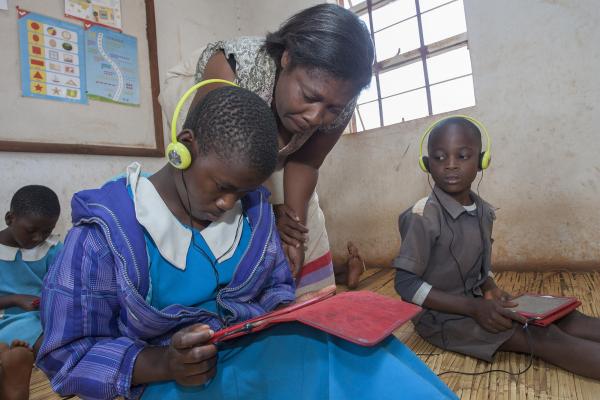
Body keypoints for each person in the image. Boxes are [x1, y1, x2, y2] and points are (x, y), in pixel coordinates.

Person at [37, 87, 456, 399]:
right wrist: (161, 363)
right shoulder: (101, 238)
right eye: (222, 187)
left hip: (250, 354)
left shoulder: (251, 211)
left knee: (361, 357)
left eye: (242, 192)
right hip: (172, 381)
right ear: (185, 148)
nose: (227, 204)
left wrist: (289, 312)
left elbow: (274, 287)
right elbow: (66, 354)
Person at [159, 3, 374, 298]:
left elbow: (306, 164)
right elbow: (213, 172)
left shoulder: (337, 98)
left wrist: (293, 236)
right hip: (206, 98)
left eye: (330, 108)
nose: (315, 117)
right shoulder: (234, 71)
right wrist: (266, 214)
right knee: (208, 197)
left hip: (260, 125)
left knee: (298, 216)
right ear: (287, 58)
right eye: (309, 97)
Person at [393, 116, 600, 379]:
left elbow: (480, 266)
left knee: (567, 318)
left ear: (481, 161)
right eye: (440, 157)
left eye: (463, 156)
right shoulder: (422, 216)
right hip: (441, 319)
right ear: (427, 164)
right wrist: (473, 308)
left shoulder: (483, 211)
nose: (451, 165)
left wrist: (490, 287)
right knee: (544, 335)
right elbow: (406, 284)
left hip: (478, 304)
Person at [0, 185, 62, 400]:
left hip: (48, 314)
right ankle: (64, 372)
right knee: (48, 339)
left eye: (46, 231)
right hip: (8, 319)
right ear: (10, 218)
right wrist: (15, 299)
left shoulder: (52, 249)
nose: (38, 238)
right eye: (31, 230)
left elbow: (66, 283)